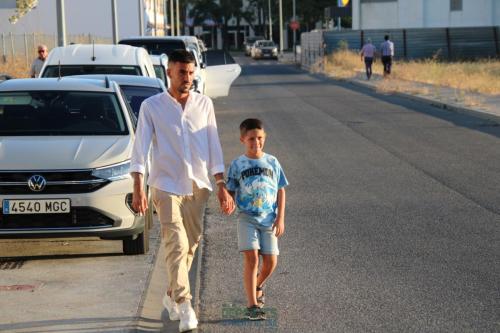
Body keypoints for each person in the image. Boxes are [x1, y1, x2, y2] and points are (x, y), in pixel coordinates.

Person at [130, 49, 234, 332]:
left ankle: (169, 296)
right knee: (175, 244)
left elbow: (214, 146)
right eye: (181, 72)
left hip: (198, 187)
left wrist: (222, 185)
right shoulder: (152, 106)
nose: (187, 78)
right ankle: (186, 306)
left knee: (190, 246)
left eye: (190, 72)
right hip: (165, 186)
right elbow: (140, 148)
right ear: (169, 72)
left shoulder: (204, 105)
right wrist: (138, 186)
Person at [226, 118, 288, 321]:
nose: (256, 142)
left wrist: (280, 218)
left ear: (265, 138)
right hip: (247, 218)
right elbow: (230, 189)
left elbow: (281, 189)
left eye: (260, 138)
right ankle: (252, 305)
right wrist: (227, 200)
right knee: (252, 258)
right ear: (243, 139)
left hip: (269, 218)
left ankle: (258, 285)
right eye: (251, 138)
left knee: (271, 261)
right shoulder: (237, 164)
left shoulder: (272, 162)